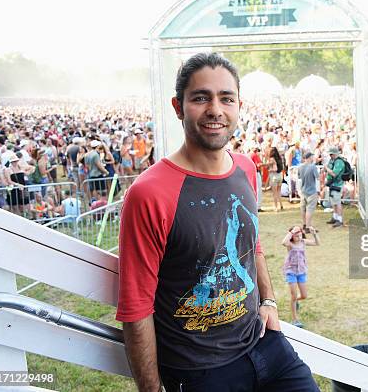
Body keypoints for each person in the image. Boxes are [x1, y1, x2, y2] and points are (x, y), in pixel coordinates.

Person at [116, 53, 318, 392]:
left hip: (264, 345)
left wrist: (268, 301)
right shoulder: (149, 193)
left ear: (239, 105)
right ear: (178, 107)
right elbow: (136, 309)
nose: (215, 109)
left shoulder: (246, 168)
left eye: (226, 98)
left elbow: (251, 246)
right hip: (199, 372)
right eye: (200, 98)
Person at [281, 225, 319, 328]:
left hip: (301, 272)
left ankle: (295, 301)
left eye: (300, 234)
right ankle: (295, 320)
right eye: (296, 235)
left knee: (304, 296)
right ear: (292, 236)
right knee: (293, 295)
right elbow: (283, 242)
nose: (299, 236)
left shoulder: (303, 242)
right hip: (291, 271)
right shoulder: (290, 244)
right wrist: (291, 232)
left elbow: (317, 243)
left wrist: (314, 234)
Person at [297, 152, 319, 232]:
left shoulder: (300, 167)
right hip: (311, 191)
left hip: (303, 191)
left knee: (303, 209)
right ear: (310, 158)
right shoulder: (312, 167)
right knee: (309, 209)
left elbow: (299, 178)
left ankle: (304, 224)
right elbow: (317, 178)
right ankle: (308, 226)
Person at [325, 146, 345, 228]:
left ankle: (339, 220)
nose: (330, 156)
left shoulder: (339, 162)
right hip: (332, 184)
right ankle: (335, 217)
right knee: (333, 202)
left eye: (331, 154)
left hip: (337, 184)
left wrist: (326, 168)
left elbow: (334, 173)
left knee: (337, 202)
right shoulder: (332, 160)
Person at [267, 146, 284, 212]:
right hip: (280, 176)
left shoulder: (272, 159)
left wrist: (270, 170)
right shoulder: (279, 158)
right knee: (279, 192)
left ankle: (276, 207)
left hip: (274, 176)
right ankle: (281, 205)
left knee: (274, 193)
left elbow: (274, 168)